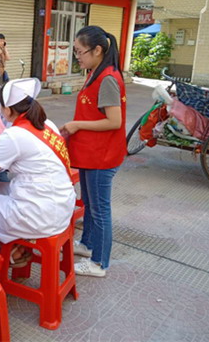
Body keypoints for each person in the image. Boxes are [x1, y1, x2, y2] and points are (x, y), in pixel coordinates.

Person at [0, 78, 76, 266]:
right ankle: (16, 248)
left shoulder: (15, 134)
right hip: (62, 207)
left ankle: (3, 253)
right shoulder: (45, 123)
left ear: (8, 110)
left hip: (39, 215)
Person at [60, 26, 126, 278]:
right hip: (91, 152)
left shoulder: (108, 78)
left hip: (102, 156)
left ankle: (99, 263)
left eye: (80, 51)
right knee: (89, 203)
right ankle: (87, 245)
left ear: (97, 50)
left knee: (100, 210)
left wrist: (76, 125)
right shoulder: (95, 72)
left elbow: (114, 121)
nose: (77, 56)